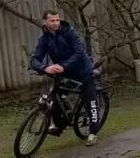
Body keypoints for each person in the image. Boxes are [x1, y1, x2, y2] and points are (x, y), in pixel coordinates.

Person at [29, 10, 101, 145]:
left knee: (90, 102)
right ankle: (58, 125)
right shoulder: (44, 39)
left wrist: (63, 66)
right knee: (54, 98)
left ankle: (92, 133)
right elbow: (34, 59)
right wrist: (44, 68)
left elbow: (79, 51)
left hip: (82, 71)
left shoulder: (69, 32)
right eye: (52, 21)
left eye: (57, 20)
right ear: (45, 22)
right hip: (63, 73)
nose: (56, 23)